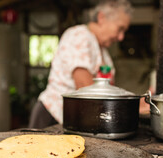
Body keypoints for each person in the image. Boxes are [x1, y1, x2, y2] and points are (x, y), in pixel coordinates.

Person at [28, 0, 133, 128]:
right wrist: (129, 108)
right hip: (53, 116)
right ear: (101, 18)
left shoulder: (102, 49)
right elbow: (85, 89)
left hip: (75, 118)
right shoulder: (79, 36)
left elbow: (107, 89)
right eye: (120, 28)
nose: (121, 37)